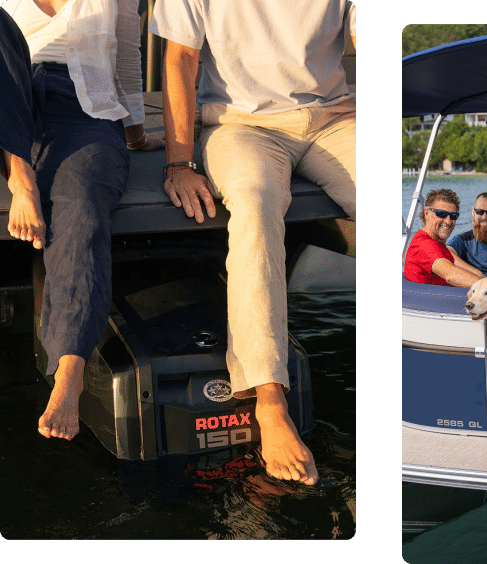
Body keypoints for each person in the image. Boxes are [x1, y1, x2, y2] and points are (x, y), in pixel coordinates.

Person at [149, 0, 357, 485]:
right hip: (240, 124)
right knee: (254, 203)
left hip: (335, 118)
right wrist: (179, 163)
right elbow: (179, 60)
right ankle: (269, 399)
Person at [1, 0, 161, 442]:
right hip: (10, 102)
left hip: (83, 109)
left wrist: (135, 133)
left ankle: (69, 369)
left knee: (82, 203)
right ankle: (22, 176)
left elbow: (128, 58)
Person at [404, 189, 483, 287]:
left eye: (453, 216)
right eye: (441, 214)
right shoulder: (423, 245)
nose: (448, 221)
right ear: (426, 213)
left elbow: (476, 273)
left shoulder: (438, 245)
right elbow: (451, 275)